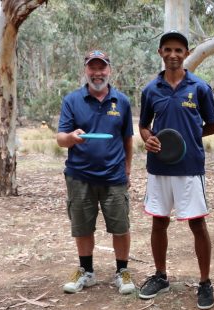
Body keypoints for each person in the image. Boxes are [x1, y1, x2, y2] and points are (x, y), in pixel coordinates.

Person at [138, 30, 214, 310]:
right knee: (159, 222)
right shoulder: (150, 90)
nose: (173, 55)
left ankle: (205, 282)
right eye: (168, 49)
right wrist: (148, 138)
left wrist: (189, 140)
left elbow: (212, 126)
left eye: (178, 50)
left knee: (197, 224)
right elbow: (144, 125)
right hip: (159, 168)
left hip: (189, 167)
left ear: (186, 54)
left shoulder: (200, 88)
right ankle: (160, 276)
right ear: (160, 52)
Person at [56, 50, 135, 295]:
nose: (97, 73)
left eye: (102, 68)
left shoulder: (121, 101)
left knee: (120, 227)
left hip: (114, 178)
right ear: (85, 70)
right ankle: (86, 271)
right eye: (93, 68)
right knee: (82, 227)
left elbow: (127, 139)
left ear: (109, 70)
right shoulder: (72, 100)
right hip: (80, 177)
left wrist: (127, 170)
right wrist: (70, 138)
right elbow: (60, 138)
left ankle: (122, 271)